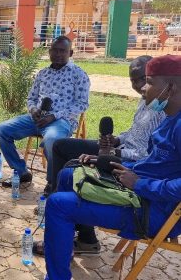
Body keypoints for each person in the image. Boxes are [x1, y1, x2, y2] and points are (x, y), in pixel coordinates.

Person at [43, 54, 181, 280]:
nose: (143, 89)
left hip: (154, 211)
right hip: (139, 192)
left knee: (57, 205)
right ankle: (74, 242)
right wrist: (108, 163)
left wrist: (140, 183)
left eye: (149, 82)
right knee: (70, 174)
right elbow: (155, 163)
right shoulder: (169, 116)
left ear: (171, 87)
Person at [0, 36, 90, 191]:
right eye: (54, 50)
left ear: (70, 53)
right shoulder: (43, 73)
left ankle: (53, 183)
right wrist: (33, 110)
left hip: (61, 121)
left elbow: (82, 104)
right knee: (0, 129)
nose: (58, 54)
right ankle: (21, 172)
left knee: (52, 141)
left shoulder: (79, 75)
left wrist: (54, 116)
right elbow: (31, 98)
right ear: (49, 52)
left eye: (62, 51)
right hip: (36, 119)